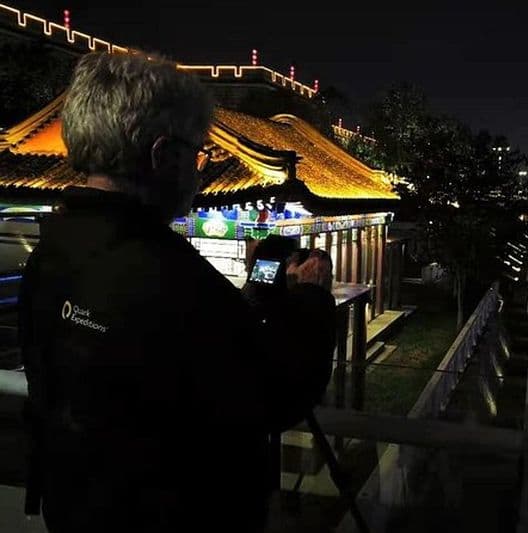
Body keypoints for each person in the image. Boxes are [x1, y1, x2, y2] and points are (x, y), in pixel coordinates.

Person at [19, 52, 335, 533]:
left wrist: (257, 297)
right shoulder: (172, 276)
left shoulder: (52, 253)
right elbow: (276, 395)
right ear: (163, 155)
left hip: (74, 505)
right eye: (198, 153)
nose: (200, 168)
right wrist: (312, 300)